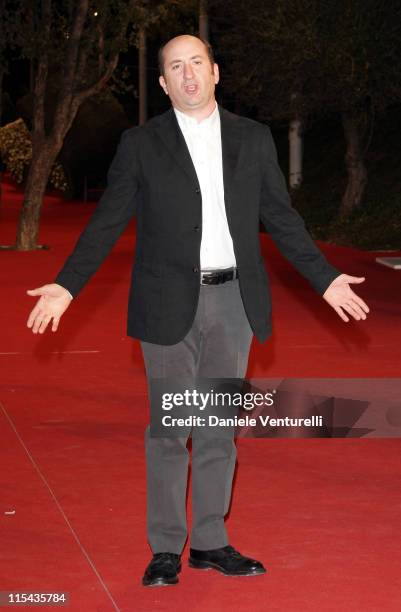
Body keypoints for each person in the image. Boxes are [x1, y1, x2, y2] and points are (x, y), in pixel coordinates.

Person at [26, 35, 369, 587]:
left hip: (233, 301)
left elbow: (281, 218)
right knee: (171, 426)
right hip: (167, 300)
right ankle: (165, 548)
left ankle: (211, 540)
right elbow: (107, 221)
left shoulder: (253, 139)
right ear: (163, 84)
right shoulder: (141, 144)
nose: (188, 75)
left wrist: (324, 277)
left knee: (217, 427)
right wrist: (67, 286)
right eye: (175, 68)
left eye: (196, 64)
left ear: (215, 72)